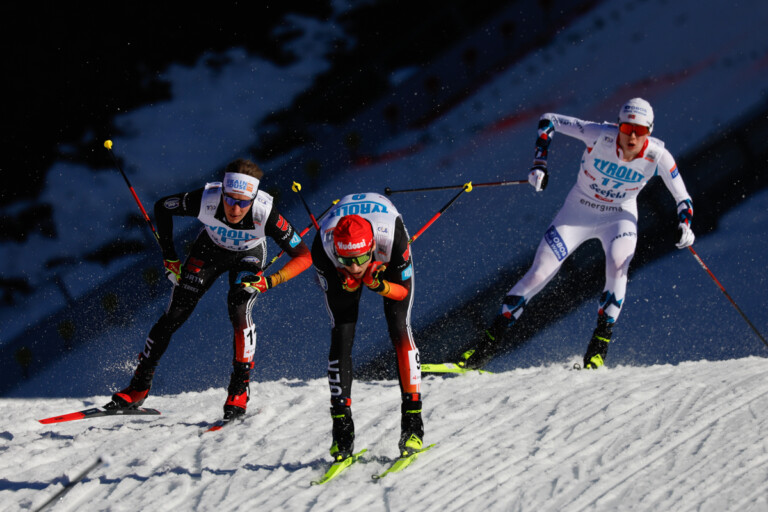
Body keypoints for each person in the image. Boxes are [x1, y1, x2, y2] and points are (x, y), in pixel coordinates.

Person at [459, 98, 695, 370]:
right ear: (618, 125)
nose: (632, 136)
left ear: (649, 132)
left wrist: (685, 226)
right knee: (538, 274)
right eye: (628, 127)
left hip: (618, 218)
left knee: (619, 265)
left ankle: (597, 349)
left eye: (640, 131)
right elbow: (550, 119)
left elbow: (683, 198)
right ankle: (486, 347)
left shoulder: (658, 156)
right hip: (577, 213)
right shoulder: (599, 135)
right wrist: (539, 164)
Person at [108, 158, 312, 419]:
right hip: (209, 249)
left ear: (253, 199)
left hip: (248, 255)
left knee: (239, 305)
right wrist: (170, 256)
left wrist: (271, 280)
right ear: (222, 192)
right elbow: (162, 207)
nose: (235, 208)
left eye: (243, 202)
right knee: (175, 313)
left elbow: (304, 256)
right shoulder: (206, 199)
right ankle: (138, 387)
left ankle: (239, 389)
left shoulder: (266, 213)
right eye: (230, 199)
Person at [311, 192, 423, 461]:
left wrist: (380, 284)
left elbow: (402, 294)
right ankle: (342, 430)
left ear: (372, 246)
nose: (355, 267)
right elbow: (339, 275)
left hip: (386, 230)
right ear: (337, 252)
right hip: (346, 239)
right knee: (342, 331)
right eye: (347, 260)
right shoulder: (322, 249)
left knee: (399, 325)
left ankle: (413, 425)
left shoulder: (393, 238)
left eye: (360, 259)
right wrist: (343, 280)